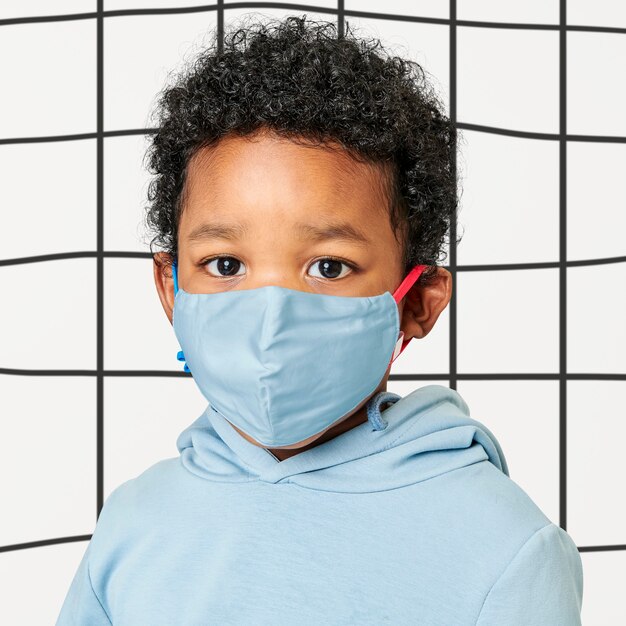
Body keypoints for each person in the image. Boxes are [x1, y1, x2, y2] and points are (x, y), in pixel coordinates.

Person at [56, 15, 583, 625]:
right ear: (170, 289)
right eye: (226, 263)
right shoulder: (132, 525)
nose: (272, 315)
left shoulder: (506, 547)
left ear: (415, 303)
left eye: (329, 267)